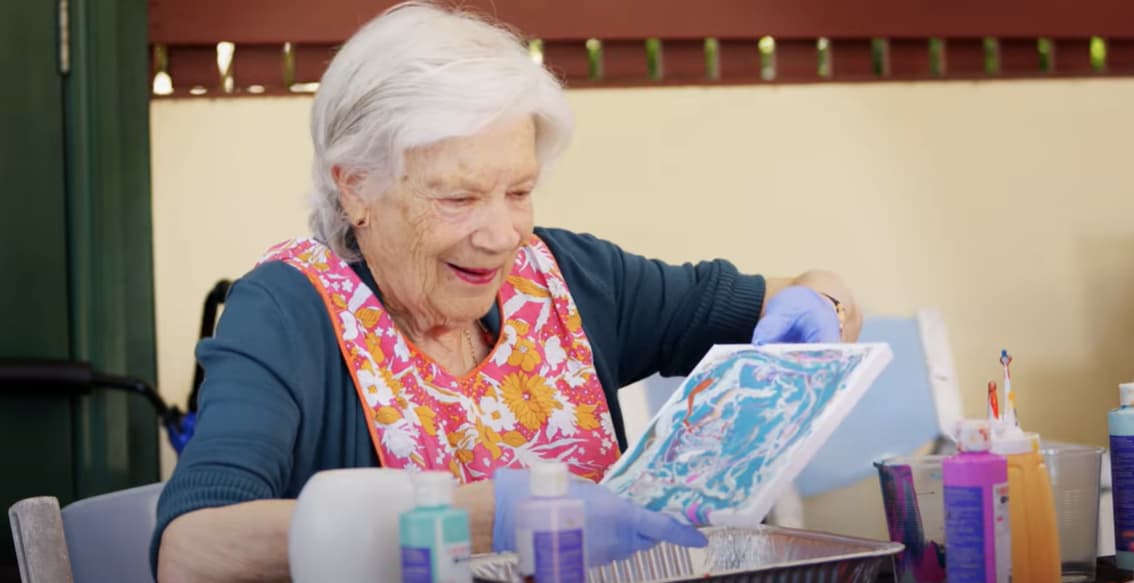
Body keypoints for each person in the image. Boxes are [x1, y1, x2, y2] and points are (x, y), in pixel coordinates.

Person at [151, 2, 864, 581]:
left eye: (519, 190)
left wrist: (821, 307)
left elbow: (801, 292)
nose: (502, 235)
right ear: (355, 184)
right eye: (458, 197)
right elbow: (191, 547)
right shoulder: (285, 311)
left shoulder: (569, 277)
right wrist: (481, 518)